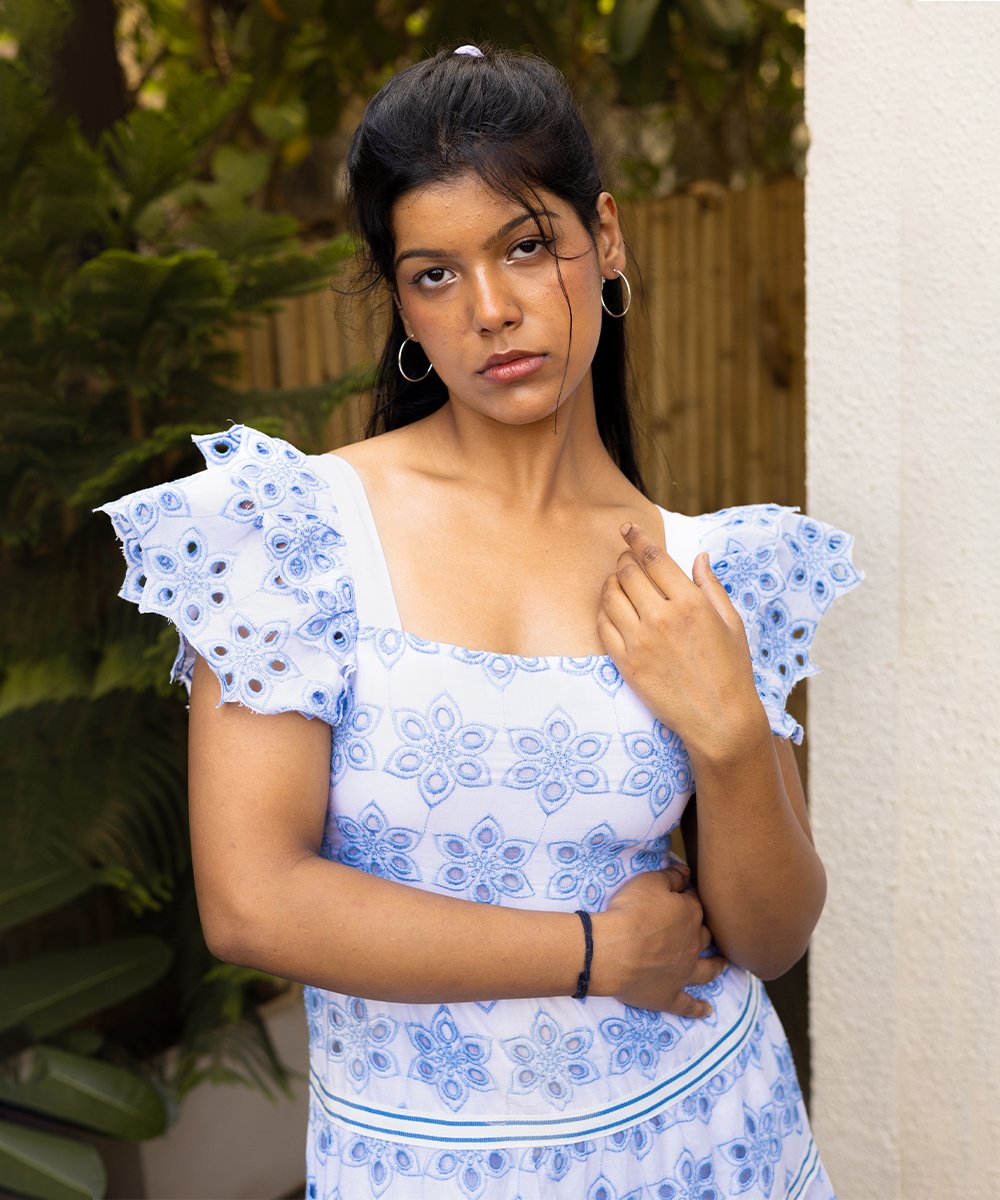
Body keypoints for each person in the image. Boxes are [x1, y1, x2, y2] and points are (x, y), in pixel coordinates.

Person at [99, 44, 861, 1200]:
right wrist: (594, 954)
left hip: (713, 1144)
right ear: (400, 301)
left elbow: (770, 937)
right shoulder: (294, 538)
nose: (492, 310)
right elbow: (254, 902)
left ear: (605, 238)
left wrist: (731, 738)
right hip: (423, 1168)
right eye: (435, 274)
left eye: (526, 246)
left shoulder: (707, 568)